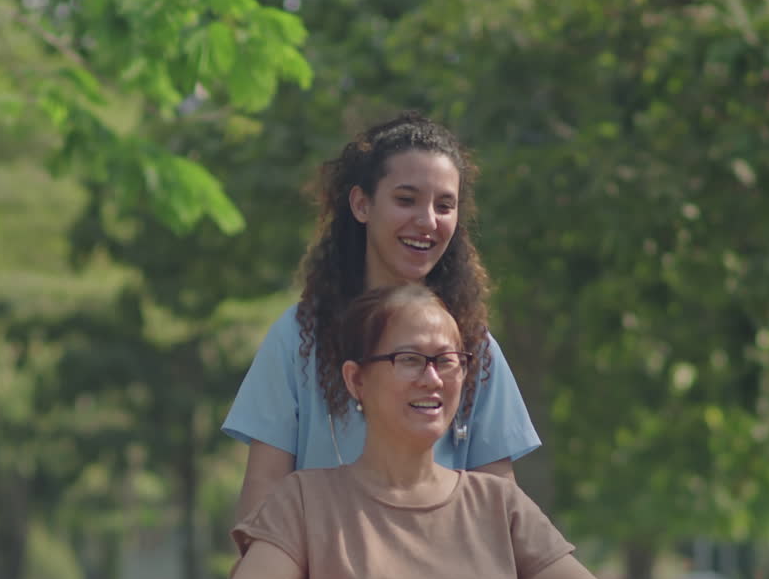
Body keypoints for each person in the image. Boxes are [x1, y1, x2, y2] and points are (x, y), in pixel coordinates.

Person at [223, 285, 616, 579]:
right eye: (409, 360)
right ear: (356, 380)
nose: (432, 379)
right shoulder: (306, 500)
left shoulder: (498, 503)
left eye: (447, 361)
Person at [223, 111, 539, 522]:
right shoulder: (298, 338)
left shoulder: (473, 346)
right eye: (406, 200)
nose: (427, 221)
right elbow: (263, 490)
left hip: (447, 577)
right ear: (361, 204)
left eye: (445, 205)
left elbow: (500, 502)